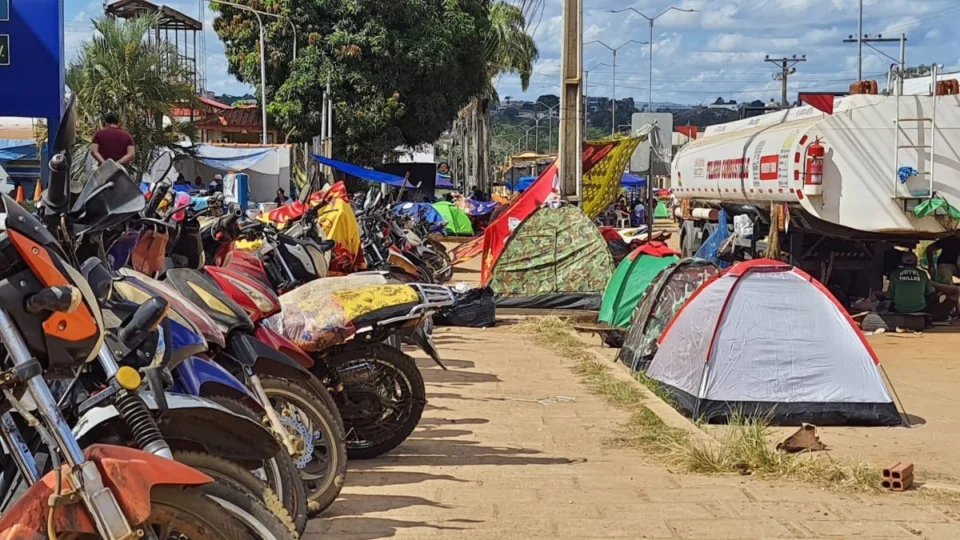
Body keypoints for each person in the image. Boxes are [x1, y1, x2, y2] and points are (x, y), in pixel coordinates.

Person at [888, 251, 959, 319]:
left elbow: (890, 295)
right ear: (916, 263)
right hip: (921, 310)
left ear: (902, 263)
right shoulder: (922, 274)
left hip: (899, 310)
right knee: (937, 293)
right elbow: (927, 293)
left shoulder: (894, 274)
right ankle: (938, 316)